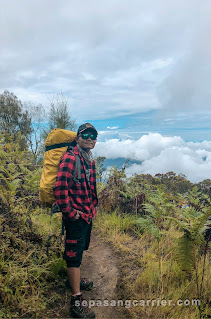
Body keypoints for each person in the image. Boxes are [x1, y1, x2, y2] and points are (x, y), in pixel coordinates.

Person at [53, 123, 98, 318]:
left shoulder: (89, 160)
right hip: (76, 217)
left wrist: (93, 209)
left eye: (94, 135)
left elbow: (91, 188)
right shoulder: (71, 158)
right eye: (86, 134)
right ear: (77, 138)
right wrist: (71, 214)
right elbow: (60, 189)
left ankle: (74, 280)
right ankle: (76, 300)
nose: (90, 138)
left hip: (86, 215)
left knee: (79, 250)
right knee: (73, 256)